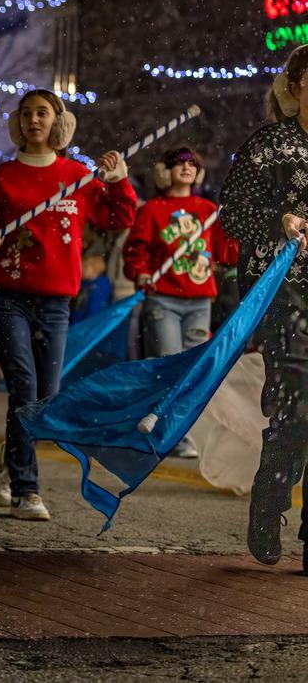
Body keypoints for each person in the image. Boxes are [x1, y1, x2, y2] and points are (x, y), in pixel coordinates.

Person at [0, 89, 137, 521]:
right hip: (7, 295)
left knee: (45, 398)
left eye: (42, 113)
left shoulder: (78, 176)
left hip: (55, 301)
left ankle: (12, 458)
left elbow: (118, 218)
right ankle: (26, 489)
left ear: (58, 122)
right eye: (26, 113)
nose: (34, 120)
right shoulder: (2, 176)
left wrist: (120, 180)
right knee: (24, 389)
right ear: (18, 122)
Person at [220, 43, 308, 571]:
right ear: (295, 84)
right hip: (286, 296)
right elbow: (233, 214)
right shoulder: (269, 145)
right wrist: (281, 220)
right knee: (298, 404)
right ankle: (271, 495)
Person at [123, 145, 236, 459]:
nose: (186, 167)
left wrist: (251, 231)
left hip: (200, 301)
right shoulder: (152, 210)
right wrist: (141, 273)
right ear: (164, 171)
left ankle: (179, 432)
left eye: (192, 163)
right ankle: (168, 431)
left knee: (193, 367)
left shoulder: (208, 211)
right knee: (170, 362)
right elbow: (135, 253)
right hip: (163, 300)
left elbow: (227, 251)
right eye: (178, 163)